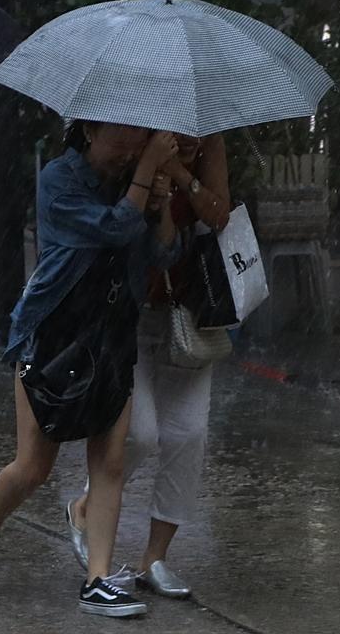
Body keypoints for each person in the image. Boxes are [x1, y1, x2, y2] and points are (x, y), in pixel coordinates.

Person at [0, 121, 181, 618]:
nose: (129, 150)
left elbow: (164, 253)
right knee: (33, 468)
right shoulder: (59, 180)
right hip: (54, 338)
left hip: (113, 337)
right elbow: (114, 228)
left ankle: (97, 580)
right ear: (89, 132)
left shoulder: (133, 183)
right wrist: (146, 174)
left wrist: (162, 207)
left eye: (138, 140)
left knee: (110, 463)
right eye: (121, 139)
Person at [65, 132, 231, 600]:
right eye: (181, 133)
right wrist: (147, 173)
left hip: (189, 310)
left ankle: (154, 558)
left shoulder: (210, 143)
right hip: (128, 308)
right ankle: (86, 505)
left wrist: (178, 172)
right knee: (137, 433)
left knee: (188, 435)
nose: (190, 137)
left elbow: (219, 215)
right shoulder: (131, 139)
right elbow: (111, 226)